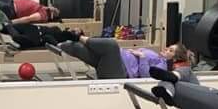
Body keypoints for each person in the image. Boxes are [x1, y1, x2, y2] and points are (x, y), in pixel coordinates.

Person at [57, 35, 198, 81]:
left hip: (120, 71)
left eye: (170, 50)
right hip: (116, 61)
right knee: (81, 49)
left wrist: (142, 57)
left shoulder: (163, 67)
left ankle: (79, 36)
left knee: (111, 45)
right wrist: (133, 53)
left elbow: (146, 76)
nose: (166, 49)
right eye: (168, 47)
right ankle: (57, 41)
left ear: (174, 58)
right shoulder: (158, 57)